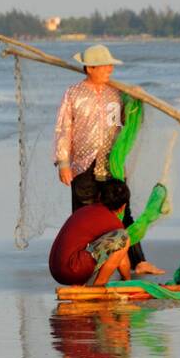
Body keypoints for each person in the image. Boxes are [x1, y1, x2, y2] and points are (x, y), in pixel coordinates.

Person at [53, 44, 150, 269]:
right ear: (90, 68)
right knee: (83, 218)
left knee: (123, 214)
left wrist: (136, 101)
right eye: (105, 66)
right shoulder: (73, 93)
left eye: (110, 65)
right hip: (82, 165)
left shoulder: (115, 93)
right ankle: (80, 265)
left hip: (112, 164)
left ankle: (138, 262)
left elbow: (123, 124)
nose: (110, 70)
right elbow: (63, 129)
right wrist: (63, 163)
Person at [48, 179, 163, 286]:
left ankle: (84, 282)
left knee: (117, 240)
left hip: (56, 270)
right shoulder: (114, 223)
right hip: (73, 271)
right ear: (123, 207)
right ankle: (99, 284)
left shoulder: (84, 210)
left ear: (99, 196)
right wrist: (128, 282)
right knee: (124, 238)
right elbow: (122, 261)